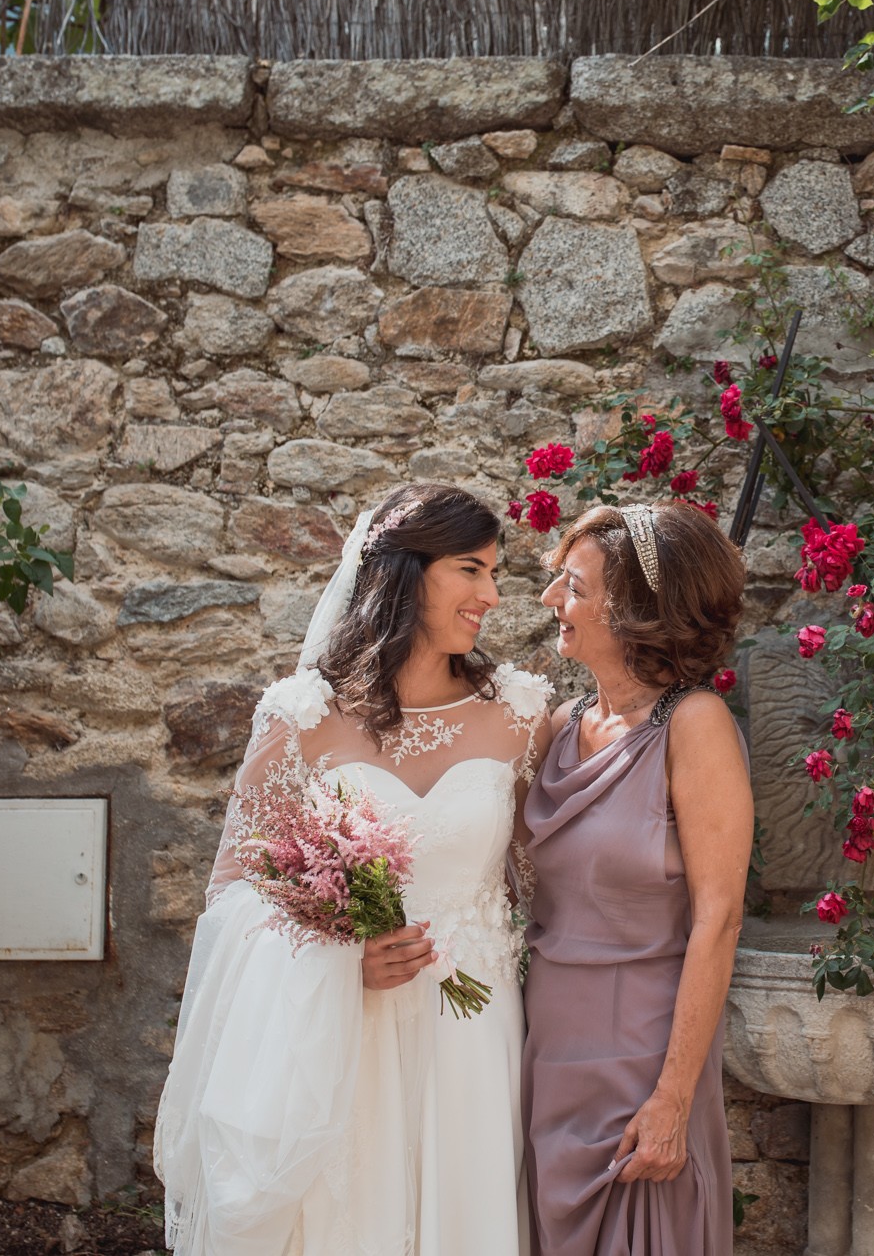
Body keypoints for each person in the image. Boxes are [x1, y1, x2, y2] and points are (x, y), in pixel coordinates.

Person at [155, 483, 552, 1256]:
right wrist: (338, 957)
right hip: (347, 1030)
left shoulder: (522, 712)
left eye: (493, 572)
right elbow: (234, 887)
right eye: (470, 570)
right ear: (407, 573)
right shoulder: (301, 715)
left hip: (475, 1030)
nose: (493, 595)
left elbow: (543, 884)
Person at [522, 502, 754, 1255]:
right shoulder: (557, 725)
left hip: (641, 1062)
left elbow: (718, 917)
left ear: (638, 610)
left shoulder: (695, 724)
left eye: (574, 586)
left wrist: (673, 1096)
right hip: (544, 1055)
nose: (550, 600)